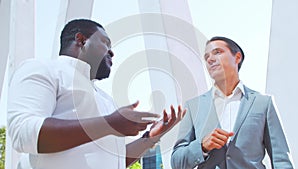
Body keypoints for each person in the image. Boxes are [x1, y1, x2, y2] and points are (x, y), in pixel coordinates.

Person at [7, 19, 186, 169]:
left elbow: (114, 161)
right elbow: (23, 133)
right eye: (105, 43)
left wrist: (151, 137)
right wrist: (109, 123)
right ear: (81, 40)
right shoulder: (44, 69)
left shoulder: (105, 99)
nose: (112, 52)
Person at [171, 36, 294, 169]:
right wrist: (201, 146)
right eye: (206, 57)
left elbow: (281, 160)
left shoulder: (263, 103)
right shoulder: (193, 106)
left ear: (237, 57)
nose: (210, 59)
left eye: (217, 52)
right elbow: (177, 162)